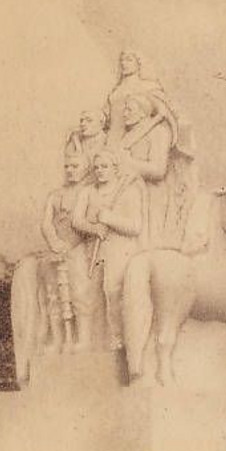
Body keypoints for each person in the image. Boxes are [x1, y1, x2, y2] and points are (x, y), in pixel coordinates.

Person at [71, 147, 146, 351]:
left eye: (104, 167)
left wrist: (109, 219)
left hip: (121, 251)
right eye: (96, 168)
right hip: (93, 251)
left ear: (115, 168)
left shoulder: (128, 191)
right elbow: (76, 220)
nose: (100, 171)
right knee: (87, 293)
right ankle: (89, 340)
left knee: (114, 291)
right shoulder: (87, 192)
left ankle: (119, 338)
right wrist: (94, 228)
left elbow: (135, 226)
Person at [39, 145, 102, 351]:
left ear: (85, 168)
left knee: (79, 293)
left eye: (75, 166)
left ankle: (82, 339)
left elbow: (87, 221)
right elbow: (46, 223)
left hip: (78, 249)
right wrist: (55, 243)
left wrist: (70, 244)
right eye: (67, 166)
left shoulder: (89, 193)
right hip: (56, 250)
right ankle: (58, 339)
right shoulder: (56, 195)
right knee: (53, 295)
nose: (70, 170)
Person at [118, 92, 197, 250]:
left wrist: (128, 163)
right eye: (124, 109)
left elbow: (159, 170)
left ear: (143, 112)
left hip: (151, 196)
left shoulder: (158, 132)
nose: (124, 113)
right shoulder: (130, 135)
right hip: (130, 194)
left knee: (148, 245)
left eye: (129, 109)